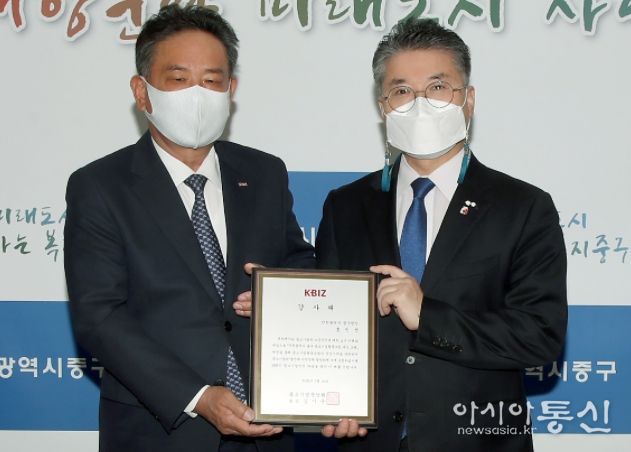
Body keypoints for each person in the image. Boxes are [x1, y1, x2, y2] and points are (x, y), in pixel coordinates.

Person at [64, 5, 314, 452]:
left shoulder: (264, 173)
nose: (198, 94)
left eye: (212, 80)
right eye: (178, 79)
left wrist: (281, 295)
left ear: (231, 90)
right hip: (160, 430)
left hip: (268, 428)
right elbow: (99, 316)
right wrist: (198, 397)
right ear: (142, 92)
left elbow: (298, 262)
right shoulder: (100, 186)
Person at [315, 18, 567, 451]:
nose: (420, 105)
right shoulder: (346, 206)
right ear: (383, 107)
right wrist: (325, 400)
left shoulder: (523, 207)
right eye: (401, 91)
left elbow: (538, 336)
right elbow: (327, 328)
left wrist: (427, 316)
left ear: (468, 100)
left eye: (437, 88)